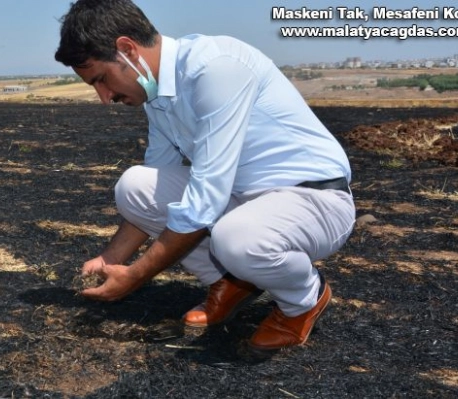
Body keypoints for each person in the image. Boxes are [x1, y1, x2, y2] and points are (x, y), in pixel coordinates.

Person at [54, 0, 355, 353]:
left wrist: (136, 276)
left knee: (237, 237)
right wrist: (111, 259)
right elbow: (155, 192)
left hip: (313, 198)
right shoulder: (158, 97)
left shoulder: (216, 68)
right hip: (242, 197)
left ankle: (303, 300)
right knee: (135, 186)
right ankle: (230, 283)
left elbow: (204, 200)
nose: (104, 98)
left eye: (101, 80)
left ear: (127, 49)